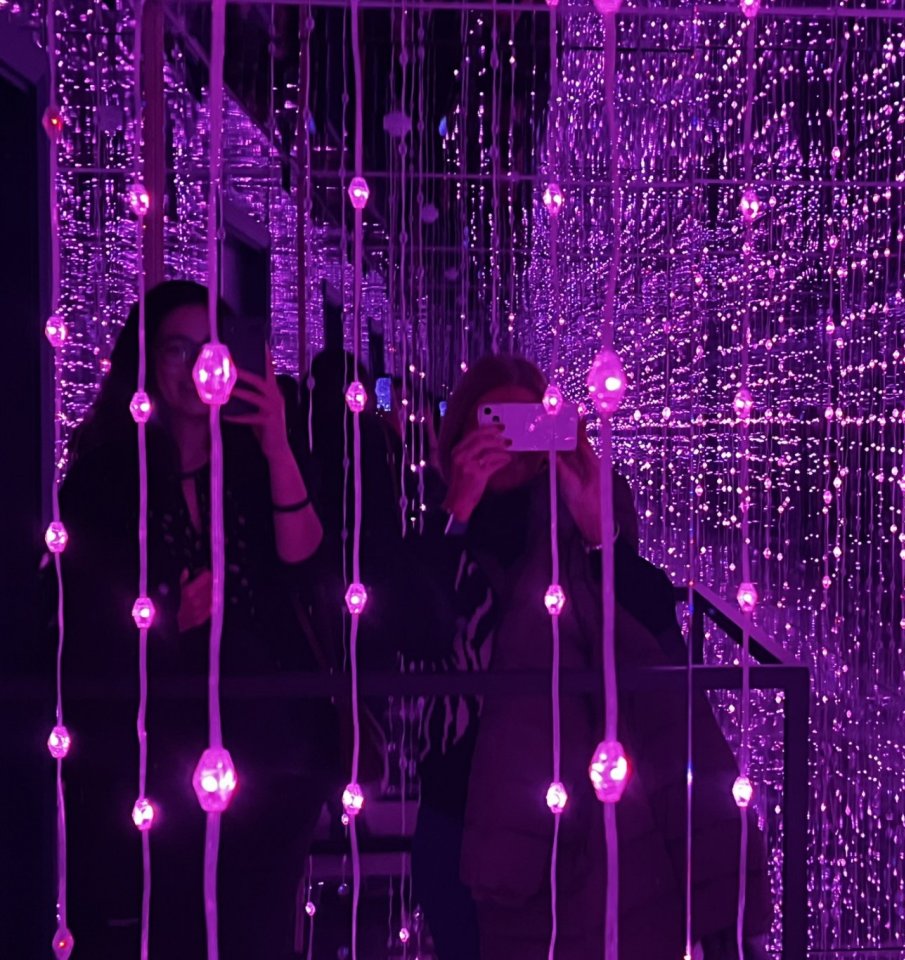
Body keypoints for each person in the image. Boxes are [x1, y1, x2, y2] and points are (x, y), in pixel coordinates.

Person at [410, 355, 769, 960]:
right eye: (491, 422)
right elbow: (416, 627)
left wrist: (599, 532)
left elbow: (651, 626)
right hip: (458, 793)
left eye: (526, 421)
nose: (509, 440)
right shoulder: (435, 509)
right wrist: (457, 512)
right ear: (459, 434)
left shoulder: (584, 492)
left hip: (587, 794)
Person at [57, 280, 338, 957]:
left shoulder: (247, 460)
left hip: (273, 738)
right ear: (147, 361)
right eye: (175, 351)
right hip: (161, 744)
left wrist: (275, 443)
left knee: (259, 922)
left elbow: (307, 566)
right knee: (177, 918)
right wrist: (167, 622)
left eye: (206, 350)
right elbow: (87, 612)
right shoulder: (107, 476)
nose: (192, 370)